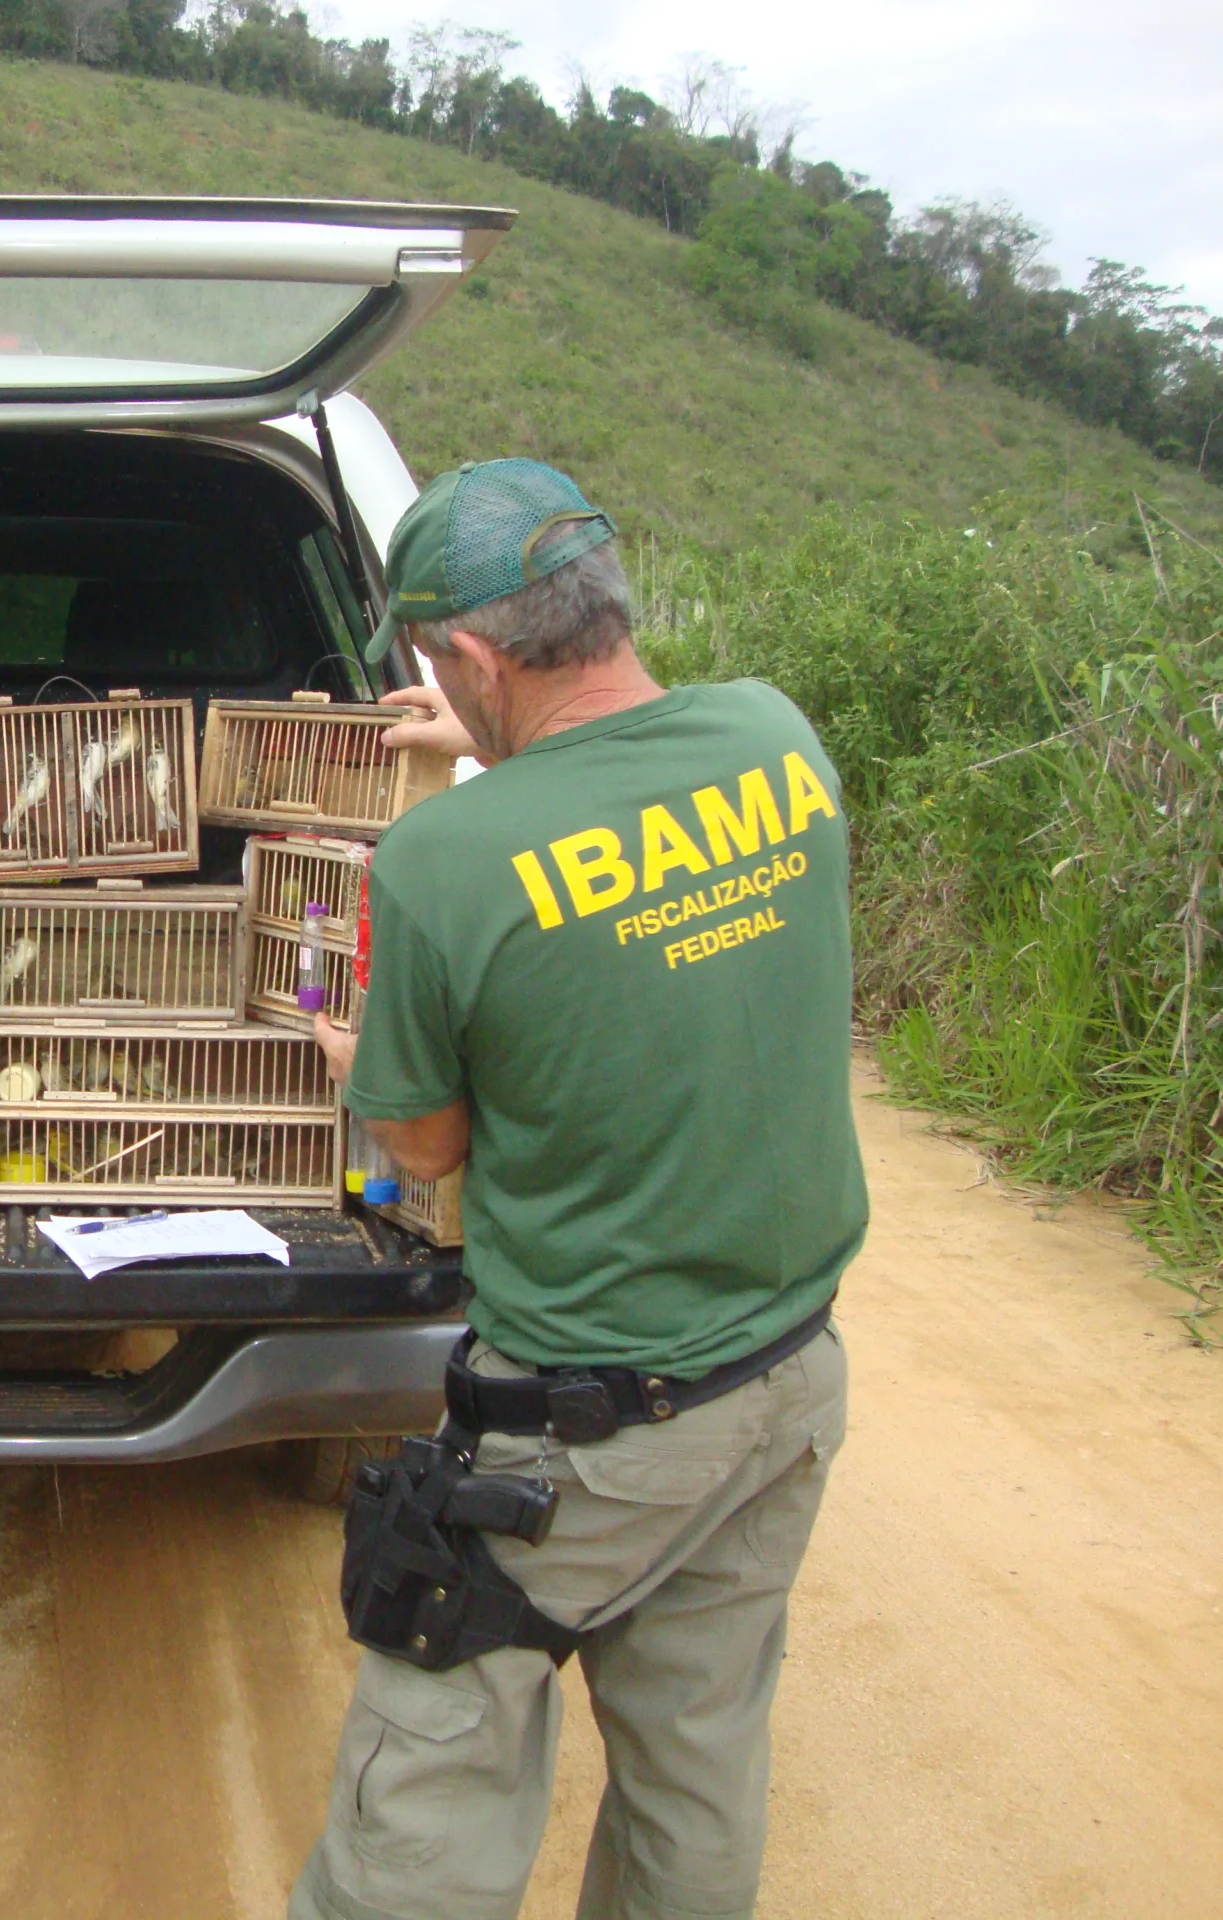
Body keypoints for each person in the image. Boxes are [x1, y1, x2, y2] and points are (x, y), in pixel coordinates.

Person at [290, 459, 867, 1920]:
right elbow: (617, 815)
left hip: (589, 1430)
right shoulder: (775, 739)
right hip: (783, 1381)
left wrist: (371, 1057)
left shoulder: (440, 862)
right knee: (695, 1773)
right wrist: (488, 752)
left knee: (424, 1795)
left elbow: (421, 1150)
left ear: (473, 656)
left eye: (443, 669)